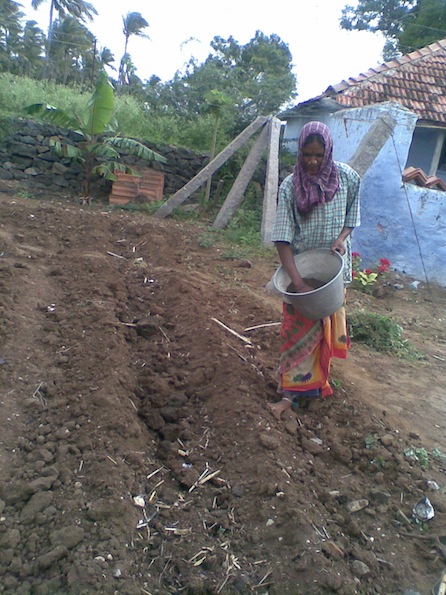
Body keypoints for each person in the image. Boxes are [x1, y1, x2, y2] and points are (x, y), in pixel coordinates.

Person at [268, 121, 361, 420]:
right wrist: (298, 284)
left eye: (318, 155)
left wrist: (341, 239)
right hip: (302, 272)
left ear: (328, 152)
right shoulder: (289, 187)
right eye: (307, 154)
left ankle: (317, 386)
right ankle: (290, 395)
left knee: (323, 332)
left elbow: (352, 216)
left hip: (332, 274)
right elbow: (283, 238)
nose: (312, 161)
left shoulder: (347, 179)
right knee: (296, 334)